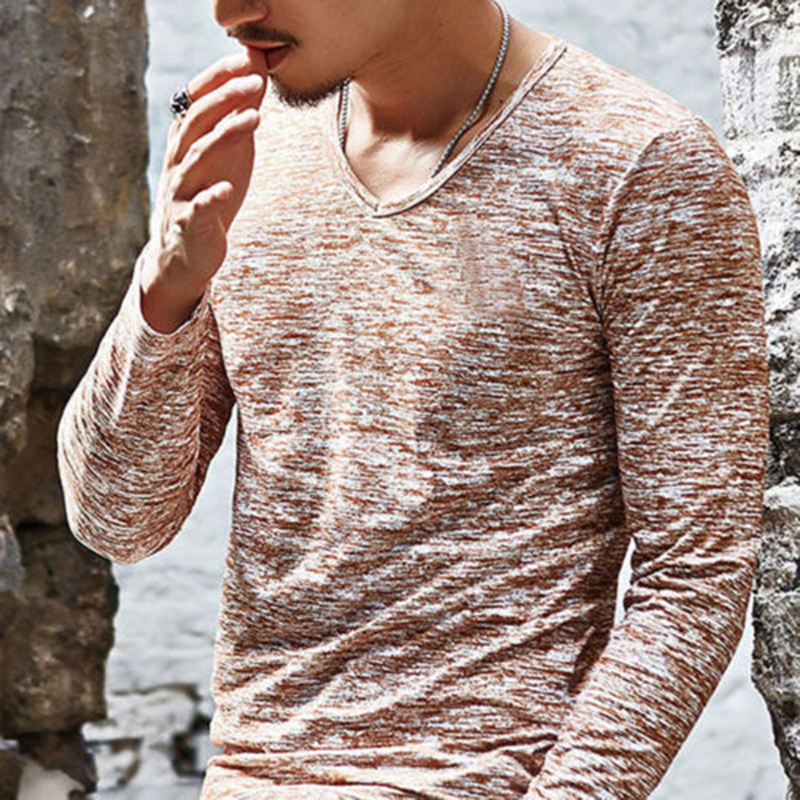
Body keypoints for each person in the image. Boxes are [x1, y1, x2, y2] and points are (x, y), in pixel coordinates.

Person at [56, 0, 771, 797]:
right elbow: (117, 521)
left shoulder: (638, 164)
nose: (230, 12)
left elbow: (695, 576)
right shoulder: (251, 149)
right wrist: (166, 285)